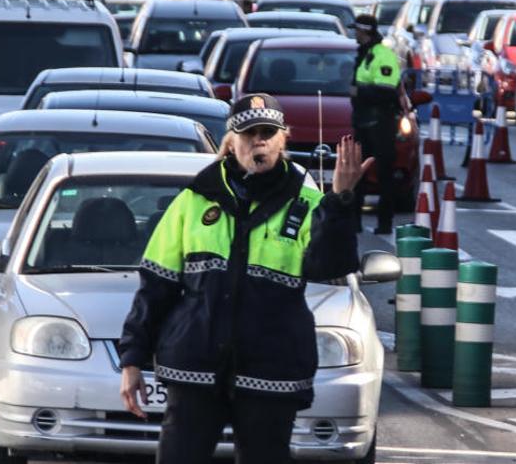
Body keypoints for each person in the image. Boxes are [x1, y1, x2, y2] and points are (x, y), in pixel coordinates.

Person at [119, 93, 373, 464]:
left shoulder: (305, 203)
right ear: (231, 140)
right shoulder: (193, 200)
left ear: (283, 138)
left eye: (268, 132)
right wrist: (132, 361)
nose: (259, 140)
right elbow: (155, 286)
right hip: (196, 367)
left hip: (271, 369)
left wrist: (341, 198)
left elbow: (330, 266)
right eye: (249, 132)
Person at [348, 14, 401, 235]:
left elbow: (387, 90)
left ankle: (385, 222)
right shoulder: (365, 54)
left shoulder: (382, 55)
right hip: (364, 121)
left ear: (365, 31)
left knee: (384, 174)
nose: (355, 35)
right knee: (358, 173)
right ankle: (355, 221)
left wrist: (360, 92)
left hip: (381, 123)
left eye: (357, 31)